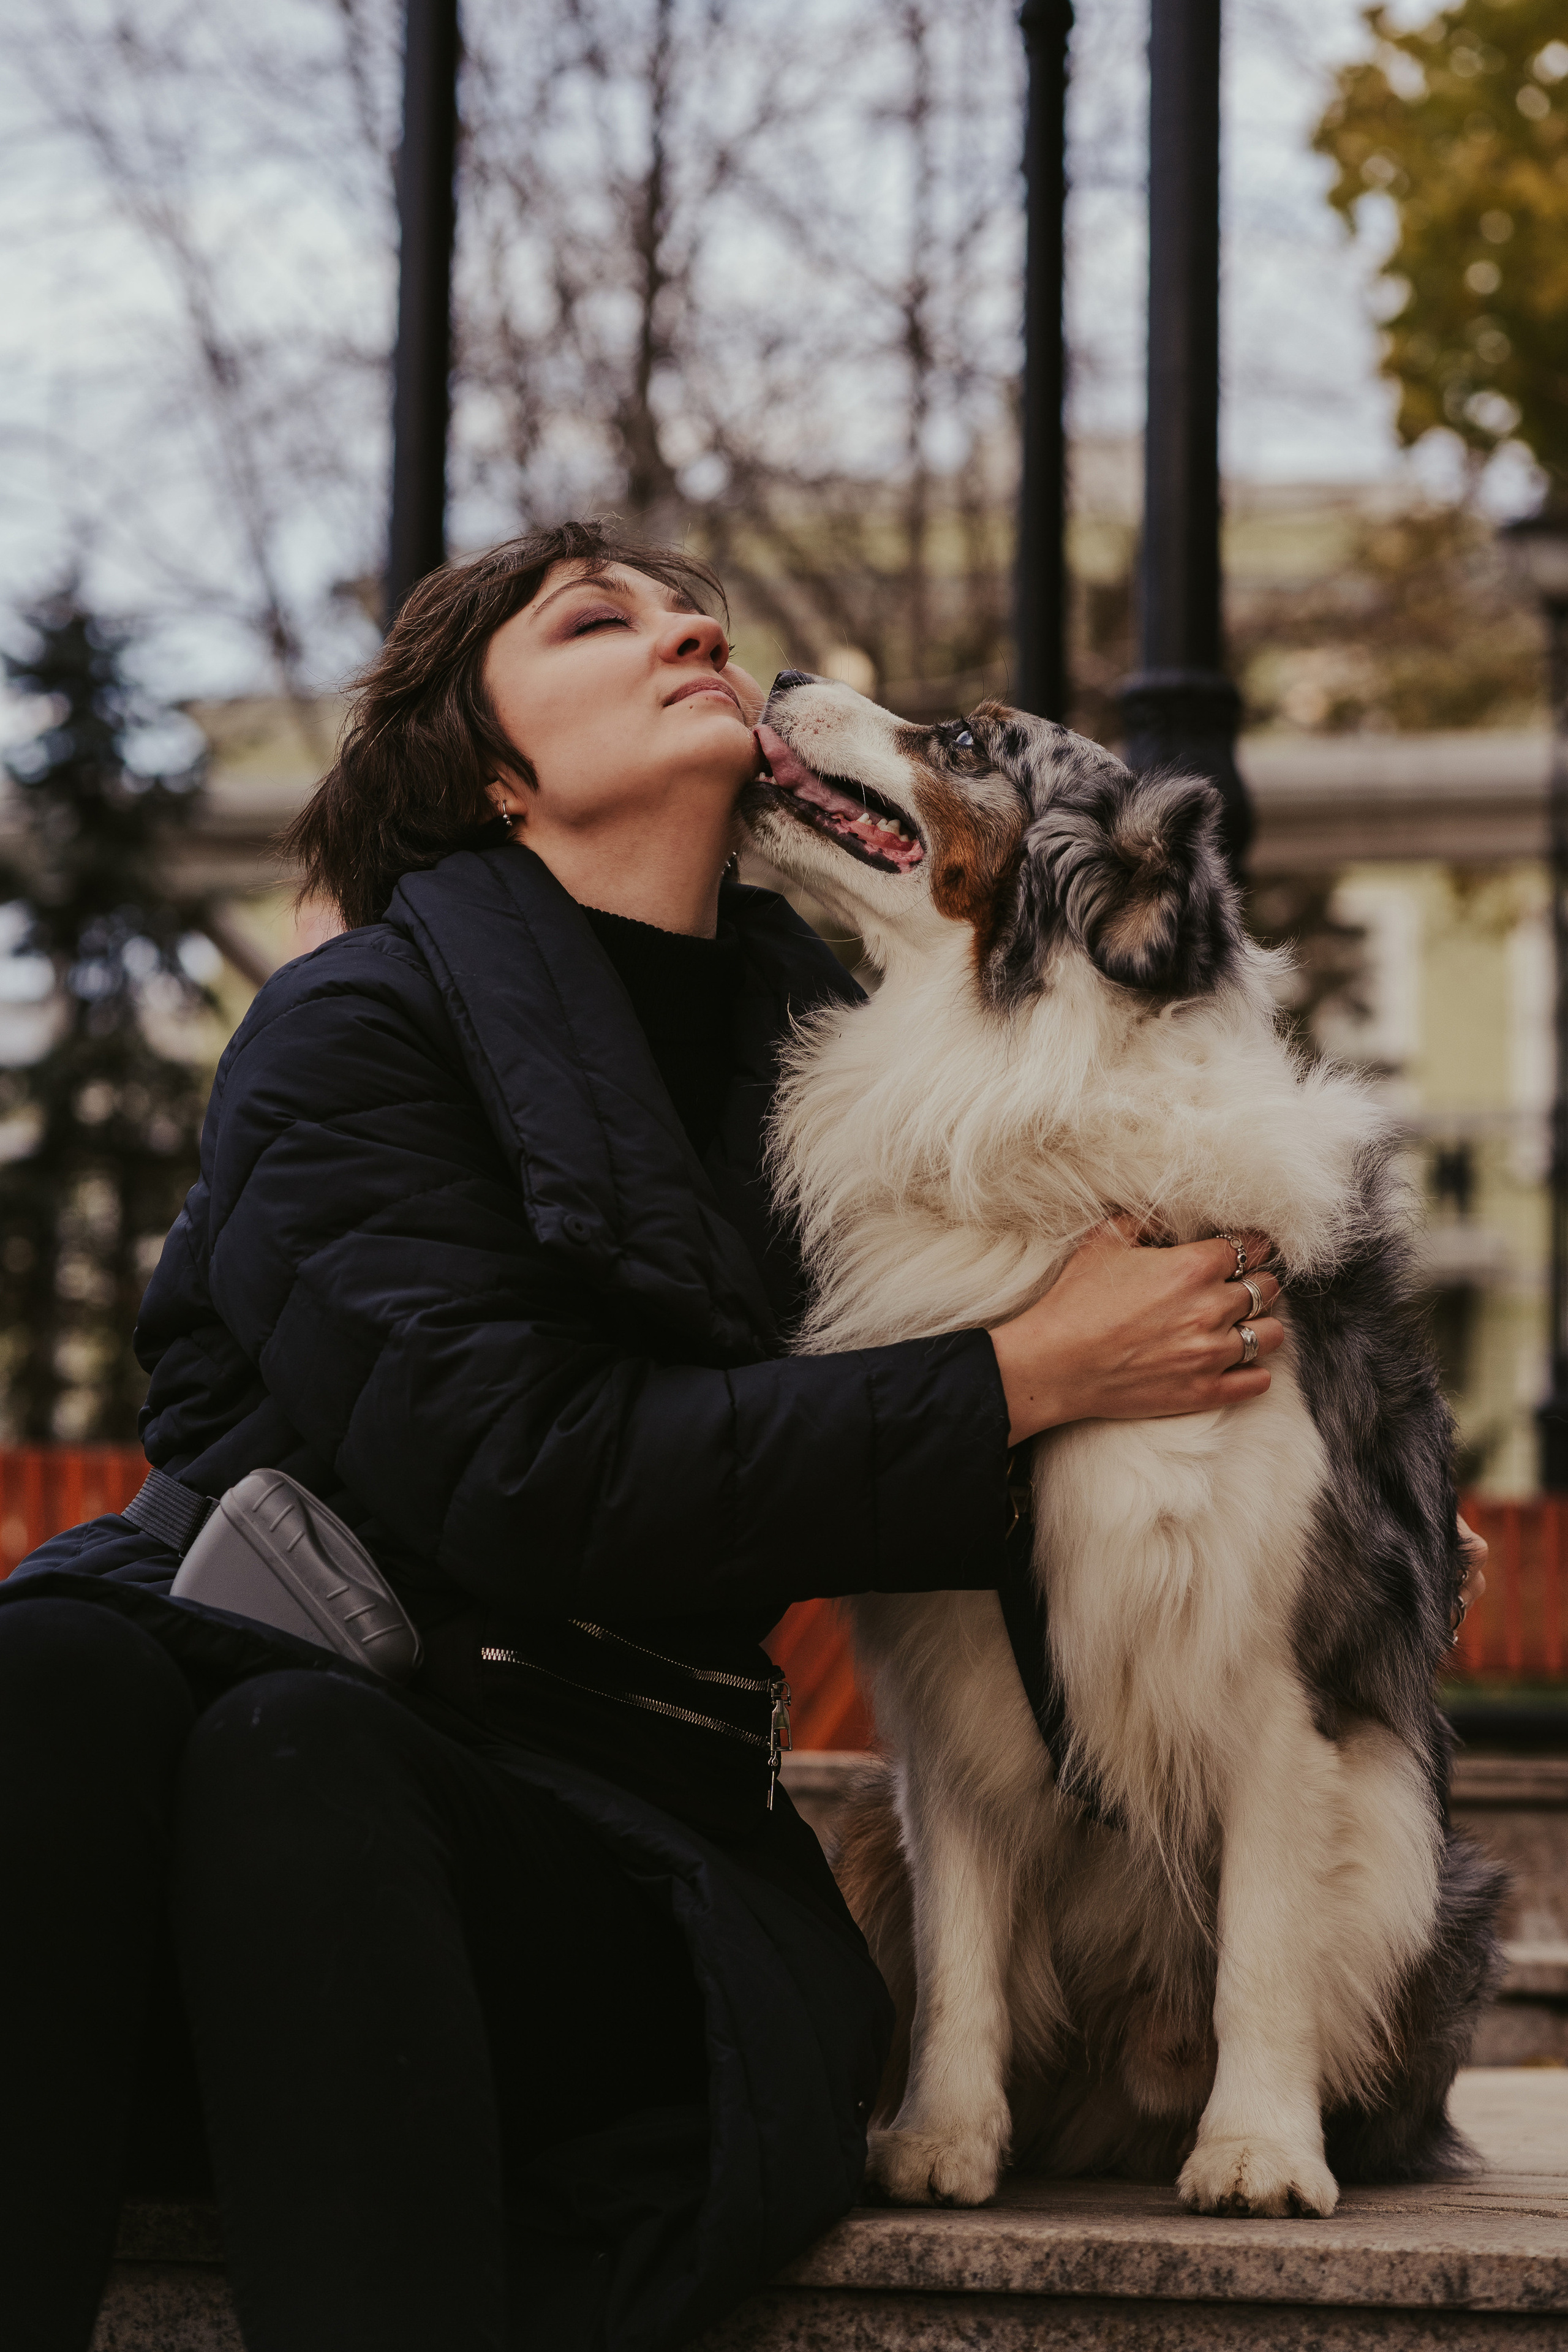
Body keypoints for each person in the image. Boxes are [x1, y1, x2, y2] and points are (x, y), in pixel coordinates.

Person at [0, 521, 1479, 2352]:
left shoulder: (853, 1051)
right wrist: (1023, 1371)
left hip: (601, 1830)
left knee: (289, 1755)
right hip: (271, 1735)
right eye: (597, 621)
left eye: (691, 604)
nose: (688, 625)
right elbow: (531, 1472)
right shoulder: (354, 1032)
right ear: (491, 773)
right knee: (74, 1674)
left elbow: (1109, 1073)